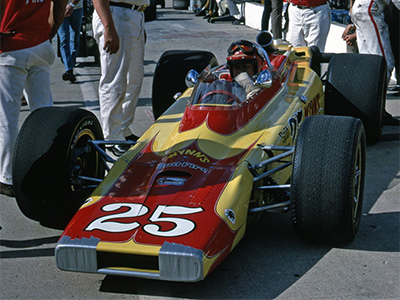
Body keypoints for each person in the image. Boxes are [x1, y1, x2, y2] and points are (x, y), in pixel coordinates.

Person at [0, 0, 67, 197]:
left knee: (7, 117)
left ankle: (7, 177)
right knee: (44, 114)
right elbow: (60, 6)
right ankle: (48, 170)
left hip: (11, 46)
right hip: (40, 44)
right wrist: (48, 35)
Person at [92, 0, 149, 156]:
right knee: (114, 80)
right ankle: (111, 136)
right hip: (115, 15)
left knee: (134, 79)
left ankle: (122, 128)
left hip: (134, 14)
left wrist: (139, 22)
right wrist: (109, 27)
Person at [58, 0, 84, 83]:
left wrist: (71, 5)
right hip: (61, 9)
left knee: (75, 38)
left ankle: (70, 63)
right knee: (64, 39)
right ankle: (69, 69)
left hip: (76, 8)